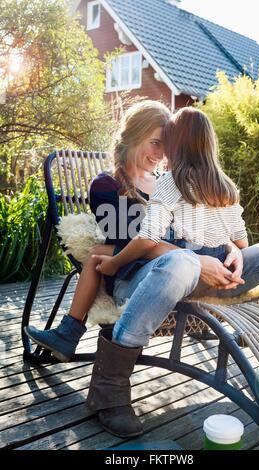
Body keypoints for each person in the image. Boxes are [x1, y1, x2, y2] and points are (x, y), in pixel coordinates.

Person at [89, 107, 259, 438]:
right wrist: (115, 265)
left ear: (176, 147)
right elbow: (148, 239)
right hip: (156, 284)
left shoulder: (221, 187)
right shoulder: (165, 184)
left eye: (166, 143)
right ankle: (110, 385)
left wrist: (235, 255)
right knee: (184, 260)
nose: (161, 154)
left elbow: (240, 242)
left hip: (214, 279)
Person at [24, 99, 176, 362]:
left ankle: (67, 334)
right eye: (155, 142)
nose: (161, 154)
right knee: (97, 255)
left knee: (97, 253)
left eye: (167, 146)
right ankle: (67, 336)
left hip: (168, 268)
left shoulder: (165, 183)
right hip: (129, 271)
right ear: (133, 136)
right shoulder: (107, 185)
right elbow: (130, 242)